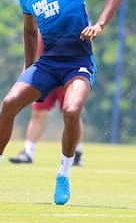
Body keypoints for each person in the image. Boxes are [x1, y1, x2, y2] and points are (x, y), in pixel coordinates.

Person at [0, 0, 125, 205]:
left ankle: (63, 174)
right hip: (47, 65)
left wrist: (100, 25)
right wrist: (28, 66)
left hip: (78, 63)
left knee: (71, 111)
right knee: (9, 102)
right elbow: (28, 30)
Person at [9, 36, 85, 166]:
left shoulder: (76, 19)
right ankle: (28, 152)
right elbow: (35, 47)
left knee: (72, 114)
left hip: (69, 72)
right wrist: (26, 73)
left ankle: (76, 153)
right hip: (46, 73)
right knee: (38, 113)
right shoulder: (44, 19)